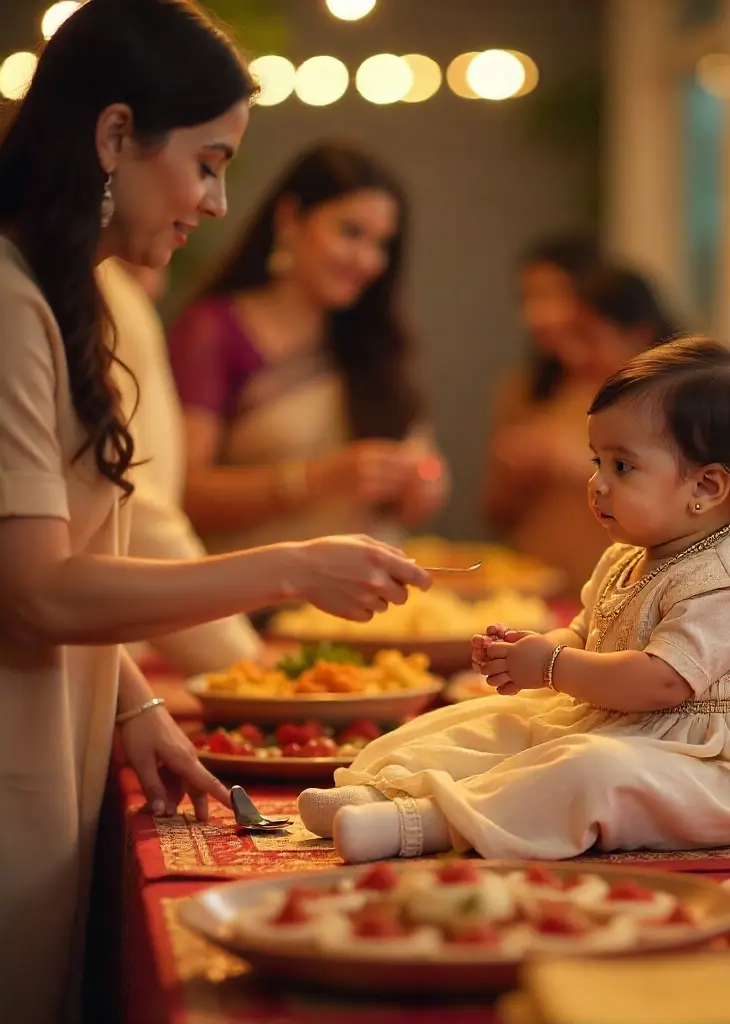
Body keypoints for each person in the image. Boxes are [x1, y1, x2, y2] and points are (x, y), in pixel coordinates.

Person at [0, 3, 428, 1019]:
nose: (216, 199)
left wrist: (132, 702)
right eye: (206, 163)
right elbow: (35, 592)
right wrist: (292, 565)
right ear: (115, 135)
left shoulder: (63, 294)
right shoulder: (11, 301)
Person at [299, 337, 730, 862]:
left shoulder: (725, 586)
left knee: (588, 772)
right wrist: (534, 649)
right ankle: (386, 789)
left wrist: (551, 665)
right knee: (491, 723)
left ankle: (425, 823)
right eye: (597, 461)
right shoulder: (628, 556)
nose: (597, 483)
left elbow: (660, 681)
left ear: (706, 487)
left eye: (622, 467)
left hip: (702, 764)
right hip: (619, 724)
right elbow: (585, 634)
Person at [167, 142, 449, 554]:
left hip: (373, 581)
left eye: (382, 244)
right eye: (351, 232)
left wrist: (422, 480)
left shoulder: (373, 342)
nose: (367, 260)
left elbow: (422, 464)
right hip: (252, 586)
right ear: (290, 219)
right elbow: (181, 491)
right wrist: (317, 481)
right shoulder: (213, 331)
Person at [101, 257, 263, 673]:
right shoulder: (101, 294)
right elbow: (128, 498)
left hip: (130, 636)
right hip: (120, 626)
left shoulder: (117, 292)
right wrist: (246, 665)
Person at [485, 257, 677, 592]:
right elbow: (496, 512)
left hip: (632, 597)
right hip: (544, 591)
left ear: (639, 335)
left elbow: (680, 511)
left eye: (588, 338)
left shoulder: (678, 411)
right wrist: (515, 475)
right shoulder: (553, 396)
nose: (572, 354)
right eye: (568, 337)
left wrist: (570, 462)